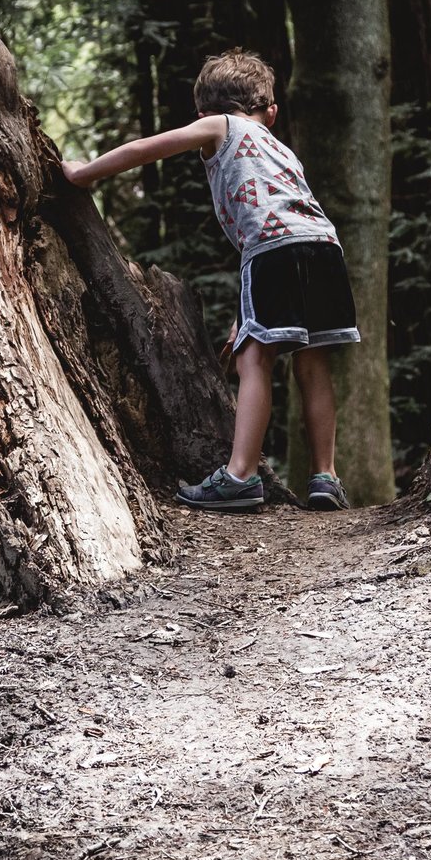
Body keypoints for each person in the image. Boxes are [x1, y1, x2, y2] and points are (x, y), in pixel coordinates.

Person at [62, 50, 356, 513]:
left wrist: (82, 173)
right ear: (271, 112)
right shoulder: (282, 148)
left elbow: (147, 147)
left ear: (204, 111)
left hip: (271, 249)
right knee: (312, 362)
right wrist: (247, 314)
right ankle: (326, 476)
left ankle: (240, 475)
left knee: (254, 362)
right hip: (324, 248)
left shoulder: (218, 126)